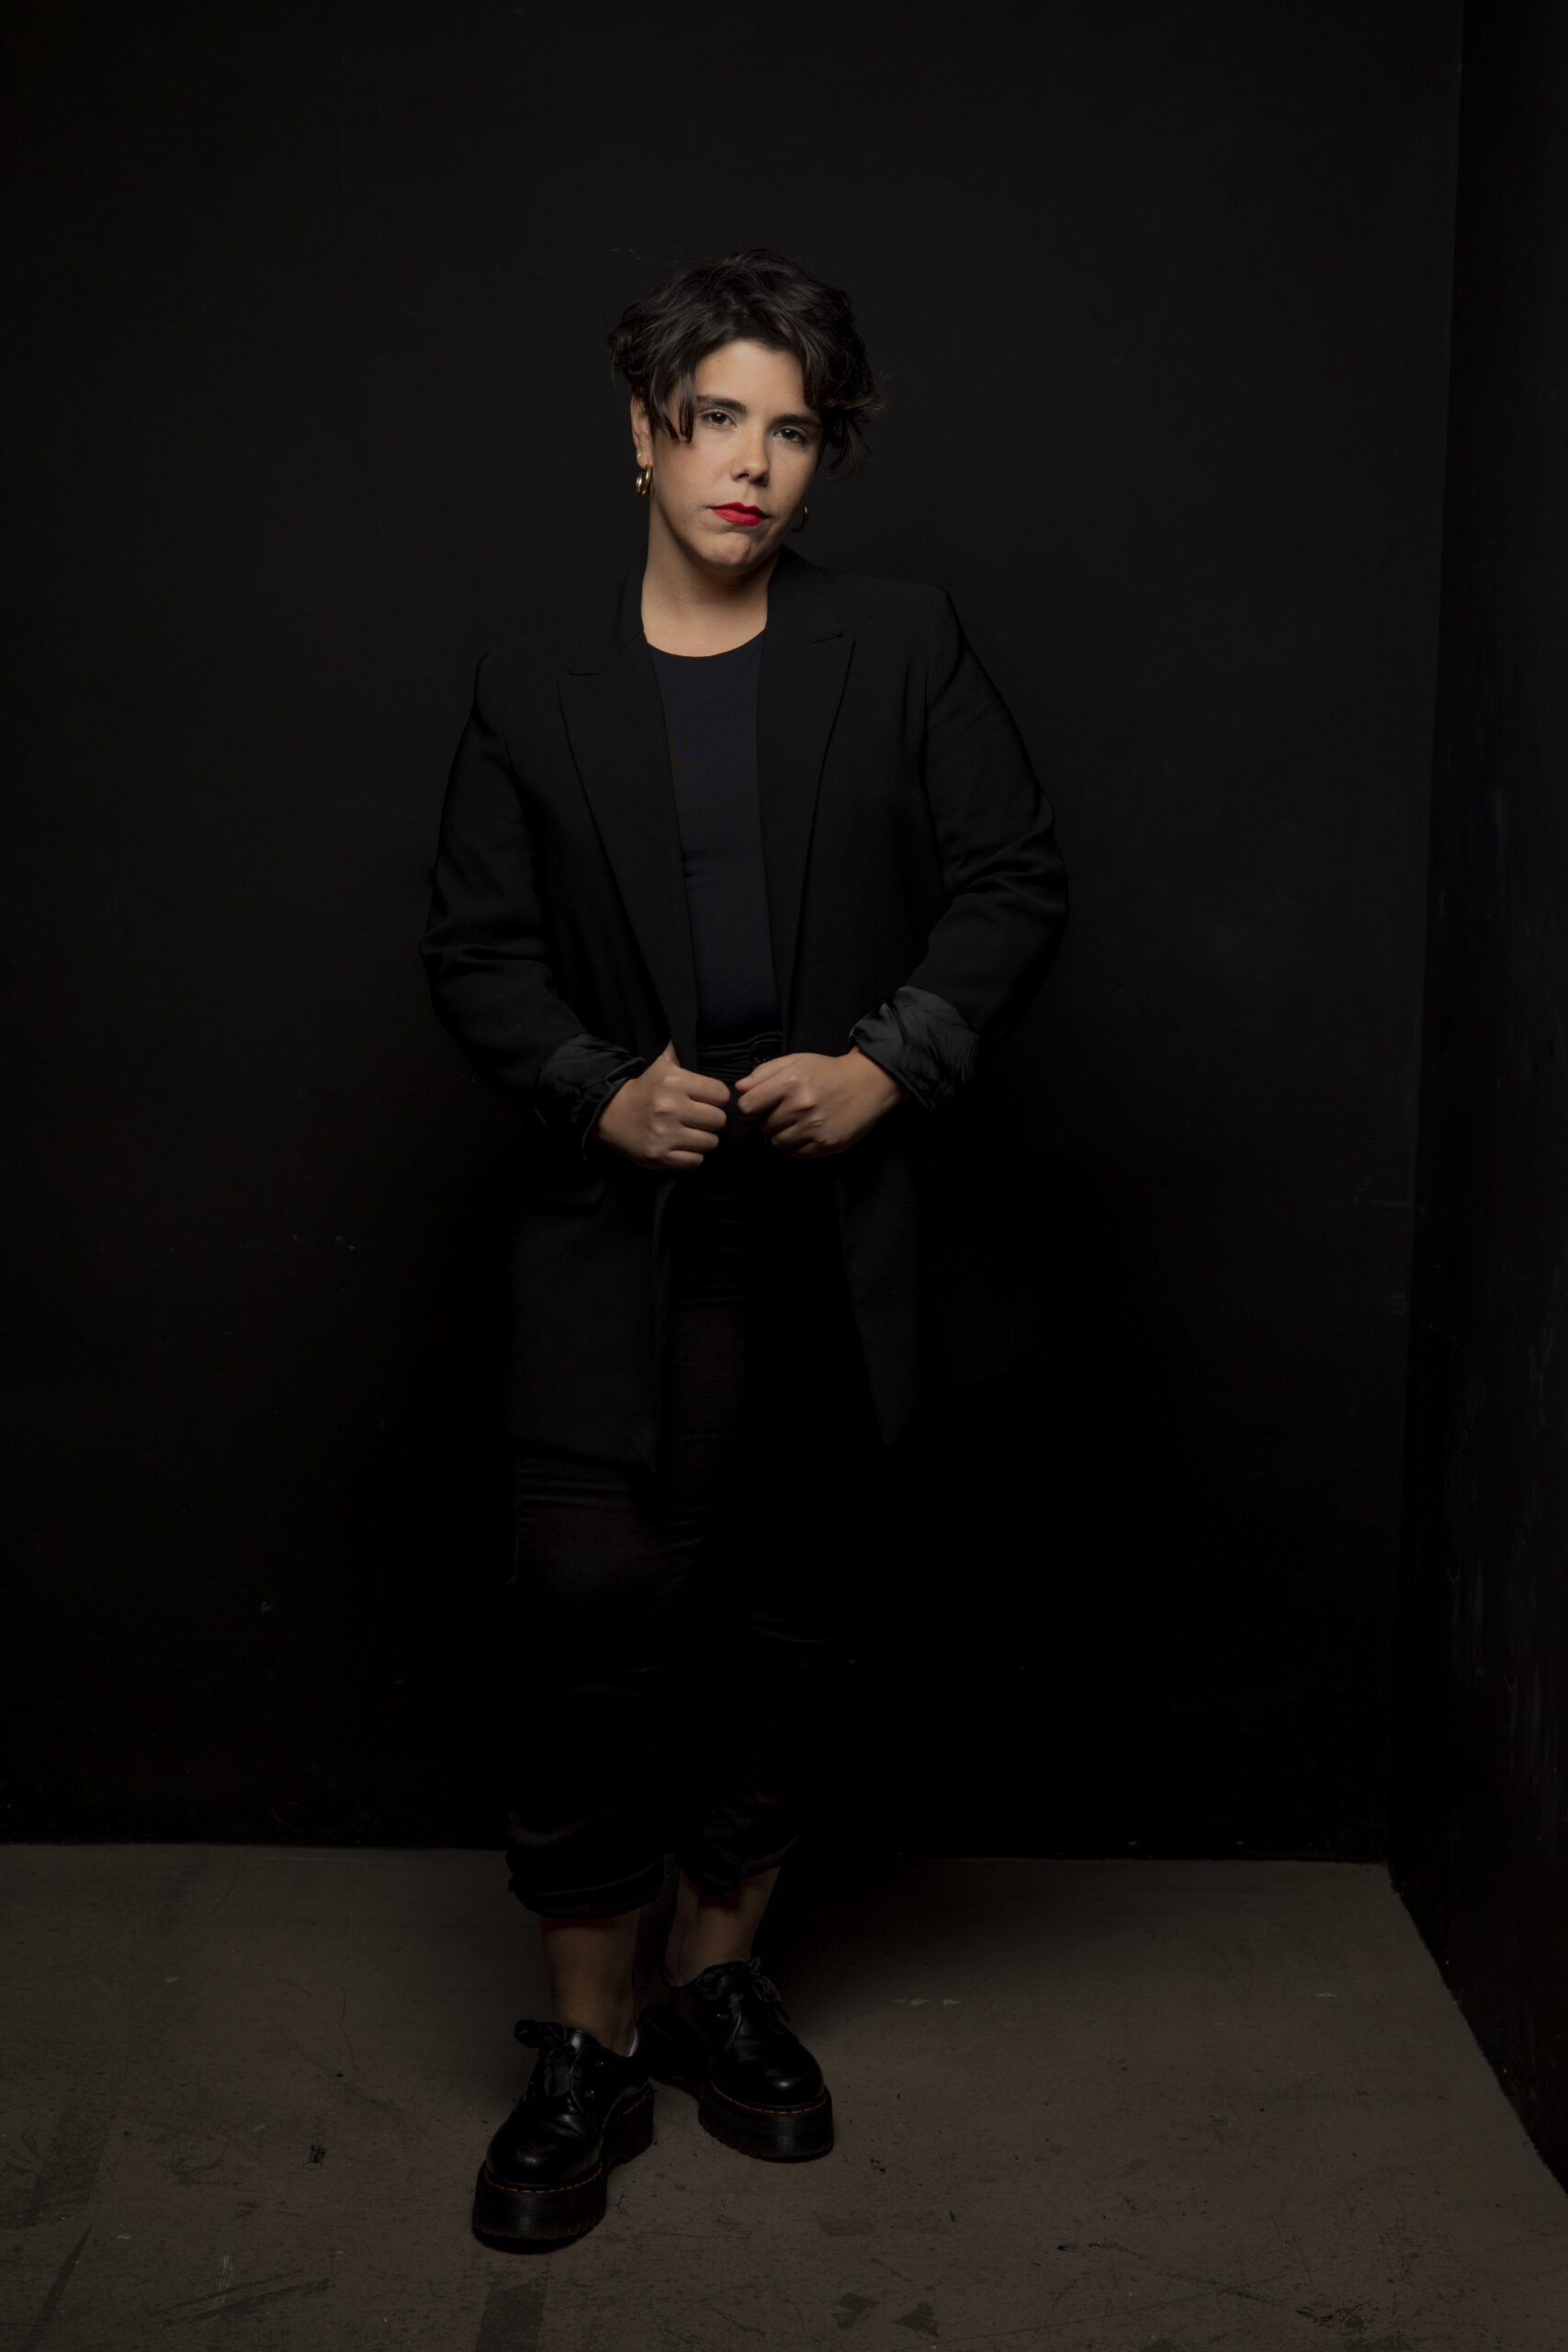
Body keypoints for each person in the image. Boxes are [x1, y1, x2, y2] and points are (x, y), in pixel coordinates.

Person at [419, 244, 1069, 2251]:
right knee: (587, 1600)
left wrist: (891, 1061)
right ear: (643, 432)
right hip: (616, 1227)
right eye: (717, 420)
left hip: (832, 1227)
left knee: (793, 1597)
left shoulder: (903, 641)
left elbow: (1010, 879)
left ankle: (717, 1976)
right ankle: (585, 2034)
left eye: (792, 433)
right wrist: (595, 1089)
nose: (751, 468)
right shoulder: (531, 679)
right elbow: (476, 948)